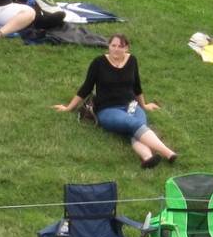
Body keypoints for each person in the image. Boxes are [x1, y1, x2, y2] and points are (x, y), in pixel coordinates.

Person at [52, 34, 180, 168]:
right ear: (109, 46)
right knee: (133, 124)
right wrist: (68, 107)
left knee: (137, 126)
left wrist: (144, 105)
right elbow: (86, 88)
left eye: (120, 46)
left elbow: (137, 86)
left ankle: (147, 158)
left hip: (131, 105)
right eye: (113, 45)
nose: (116, 49)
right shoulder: (98, 63)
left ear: (126, 48)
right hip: (108, 109)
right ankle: (168, 153)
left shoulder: (132, 60)